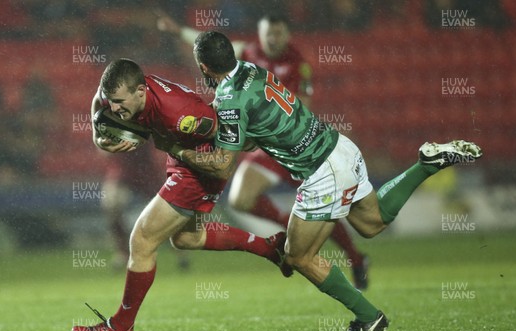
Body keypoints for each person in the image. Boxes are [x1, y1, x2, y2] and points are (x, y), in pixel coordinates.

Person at [159, 31, 483, 331]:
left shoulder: (229, 98)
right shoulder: (250, 69)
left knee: (298, 256)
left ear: (203, 66)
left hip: (321, 172)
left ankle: (368, 317)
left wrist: (176, 149)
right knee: (373, 222)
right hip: (338, 146)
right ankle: (425, 165)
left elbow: (223, 164)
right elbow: (252, 128)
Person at [72, 59, 290, 331]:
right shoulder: (116, 94)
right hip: (178, 156)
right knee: (187, 238)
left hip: (201, 164)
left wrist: (254, 140)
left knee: (142, 239)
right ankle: (268, 247)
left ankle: (120, 327)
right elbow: (98, 102)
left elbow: (224, 134)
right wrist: (99, 137)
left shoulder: (179, 111)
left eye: (119, 102)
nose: (113, 109)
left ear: (140, 91)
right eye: (110, 101)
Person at [158, 13, 371, 289]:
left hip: (297, 146)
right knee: (240, 198)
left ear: (287, 34)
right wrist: (179, 31)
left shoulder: (297, 63)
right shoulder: (246, 54)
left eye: (278, 33)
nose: (273, 39)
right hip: (267, 149)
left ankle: (355, 258)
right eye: (268, 33)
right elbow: (211, 48)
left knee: (334, 209)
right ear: (260, 33)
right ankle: (288, 231)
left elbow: (301, 106)